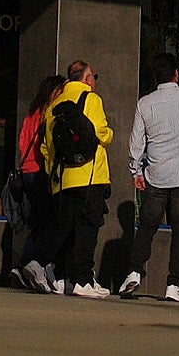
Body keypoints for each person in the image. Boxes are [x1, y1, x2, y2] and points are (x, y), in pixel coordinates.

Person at [122, 54, 179, 296]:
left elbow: (136, 142)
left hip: (156, 173)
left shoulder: (145, 103)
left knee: (147, 226)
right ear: (176, 74)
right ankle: (174, 283)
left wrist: (136, 170)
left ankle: (134, 271)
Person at [36, 59, 119, 294]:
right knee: (87, 229)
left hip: (62, 178)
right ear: (87, 79)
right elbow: (101, 133)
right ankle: (83, 280)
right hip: (89, 174)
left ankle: (63, 277)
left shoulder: (54, 104)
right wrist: (110, 134)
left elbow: (46, 147)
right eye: (94, 76)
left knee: (67, 229)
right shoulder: (91, 99)